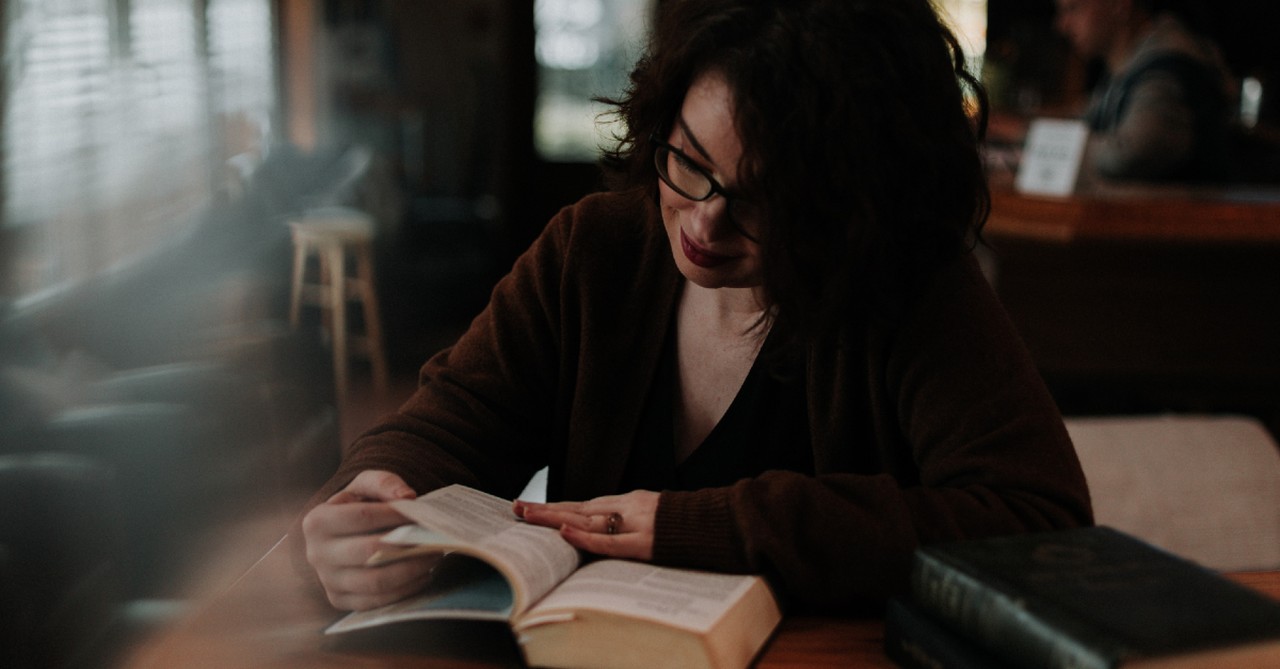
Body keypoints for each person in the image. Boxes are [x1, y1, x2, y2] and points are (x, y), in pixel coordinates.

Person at [301, 0, 1093, 615]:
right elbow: (454, 417)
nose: (705, 223)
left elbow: (1041, 521)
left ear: (856, 205)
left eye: (766, 201)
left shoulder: (909, 282)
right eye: (689, 160)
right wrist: (378, 494)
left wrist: (717, 525)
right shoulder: (594, 251)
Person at [1054, 0, 1234, 182]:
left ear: (1120, 5)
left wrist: (1051, 147)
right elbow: (1082, 119)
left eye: (1074, 8)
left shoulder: (1167, 66)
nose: (1063, 25)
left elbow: (1131, 152)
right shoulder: (1126, 67)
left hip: (1179, 210)